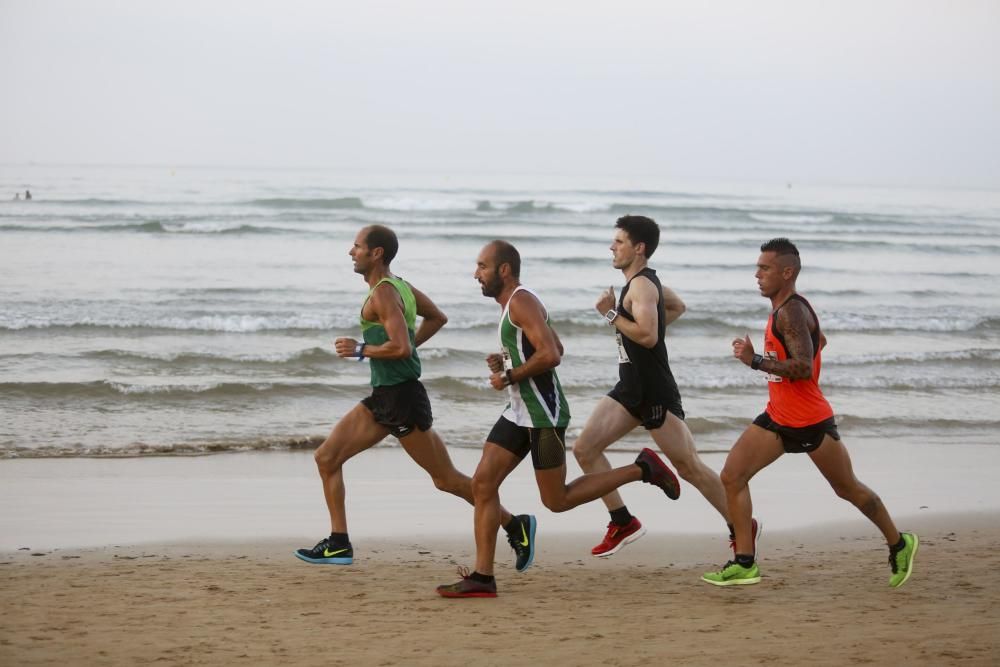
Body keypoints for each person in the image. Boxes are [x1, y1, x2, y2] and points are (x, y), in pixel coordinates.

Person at [436, 240, 680, 598]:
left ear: (504, 270)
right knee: (483, 485)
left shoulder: (520, 301)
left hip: (543, 417)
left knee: (557, 500)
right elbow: (555, 347)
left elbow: (551, 355)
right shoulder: (514, 304)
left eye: (482, 267)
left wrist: (509, 376)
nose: (477, 274)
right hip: (519, 413)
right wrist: (509, 363)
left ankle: (642, 468)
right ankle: (482, 577)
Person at [295, 225, 534, 568]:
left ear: (376, 253)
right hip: (385, 397)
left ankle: (515, 525)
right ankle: (338, 543)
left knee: (446, 480)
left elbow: (402, 345)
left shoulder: (384, 293)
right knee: (327, 458)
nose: (351, 252)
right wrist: (401, 351)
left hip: (402, 400)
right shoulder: (400, 287)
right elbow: (437, 318)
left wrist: (364, 349)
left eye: (357, 246)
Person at [702, 237, 917, 587]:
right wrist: (778, 356)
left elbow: (801, 366)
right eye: (757, 267)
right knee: (732, 476)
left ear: (787, 272)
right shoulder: (787, 311)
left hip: (809, 420)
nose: (757, 274)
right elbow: (819, 344)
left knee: (849, 490)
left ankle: (899, 542)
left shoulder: (791, 311)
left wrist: (755, 360)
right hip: (777, 417)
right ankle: (744, 562)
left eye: (765, 268)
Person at [572, 215, 757, 557]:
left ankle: (741, 524)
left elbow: (648, 334)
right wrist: (631, 316)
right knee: (585, 450)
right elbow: (677, 306)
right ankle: (622, 520)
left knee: (690, 468)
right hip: (629, 389)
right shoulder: (643, 284)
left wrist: (611, 314)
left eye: (619, 241)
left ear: (639, 248)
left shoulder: (642, 286)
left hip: (654, 393)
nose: (612, 247)